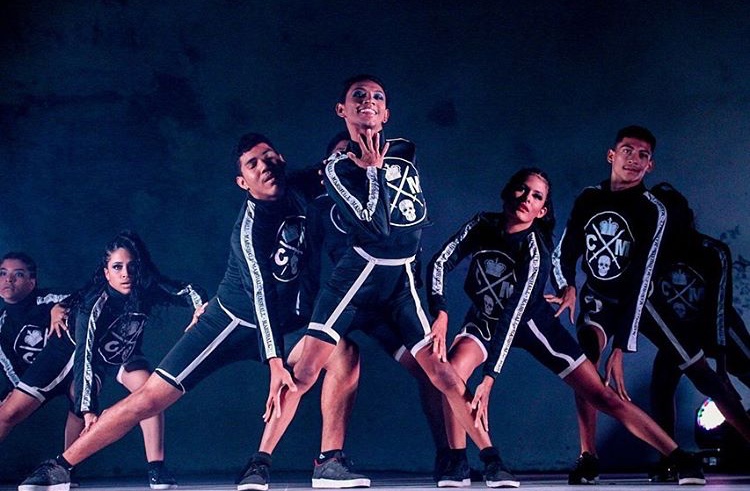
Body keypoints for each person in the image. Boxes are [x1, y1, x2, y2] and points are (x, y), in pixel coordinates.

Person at [18, 133, 360, 491]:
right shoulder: (248, 230)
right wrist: (275, 362)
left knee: (344, 353)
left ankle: (326, 462)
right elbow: (261, 294)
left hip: (285, 324)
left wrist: (363, 148)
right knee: (150, 398)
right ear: (242, 182)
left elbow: (340, 165)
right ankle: (60, 465)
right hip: (229, 323)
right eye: (253, 164)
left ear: (282, 159)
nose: (265, 167)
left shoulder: (301, 185)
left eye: (269, 157)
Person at [238, 75, 508, 491]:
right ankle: (260, 464)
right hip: (352, 286)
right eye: (358, 96)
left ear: (386, 113)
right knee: (305, 372)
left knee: (439, 371)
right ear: (342, 111)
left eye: (377, 97)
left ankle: (482, 460)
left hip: (394, 291)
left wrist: (435, 307)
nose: (368, 101)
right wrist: (370, 170)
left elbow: (411, 231)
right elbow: (376, 229)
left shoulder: (404, 153)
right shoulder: (334, 175)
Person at [428, 168, 705, 487]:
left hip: (531, 324)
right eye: (522, 189)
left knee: (602, 395)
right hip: (486, 318)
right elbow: (439, 262)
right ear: (508, 192)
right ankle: (460, 462)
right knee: (450, 373)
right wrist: (441, 311)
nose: (526, 198)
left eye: (536, 196)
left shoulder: (536, 249)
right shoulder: (482, 224)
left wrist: (489, 377)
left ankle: (680, 457)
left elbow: (515, 314)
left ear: (541, 210)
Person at [302, 131, 451, 483]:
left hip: (384, 305)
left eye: (353, 155)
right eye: (341, 156)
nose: (349, 161)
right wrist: (309, 315)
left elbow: (407, 246)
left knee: (430, 366)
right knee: (341, 357)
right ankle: (326, 459)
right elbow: (308, 264)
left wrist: (424, 304)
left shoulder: (383, 195)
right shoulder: (322, 205)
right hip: (345, 301)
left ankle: (449, 455)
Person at [549, 125, 675, 484]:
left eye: (643, 155)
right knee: (585, 366)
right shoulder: (589, 198)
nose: (633, 159)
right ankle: (588, 455)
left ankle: (674, 456)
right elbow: (565, 251)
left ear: (650, 165)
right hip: (599, 300)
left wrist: (621, 347)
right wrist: (567, 286)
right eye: (627, 151)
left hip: (642, 301)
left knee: (688, 364)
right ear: (611, 155)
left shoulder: (652, 210)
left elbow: (643, 276)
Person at [643, 183, 750, 481]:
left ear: (686, 217)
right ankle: (669, 457)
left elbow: (719, 309)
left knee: (745, 370)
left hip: (720, 329)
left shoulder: (712, 251)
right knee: (661, 386)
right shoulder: (649, 255)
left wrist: (720, 367)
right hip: (678, 334)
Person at [0, 252, 81, 449]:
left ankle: (67, 463)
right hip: (34, 378)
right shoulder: (2, 324)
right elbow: (7, 365)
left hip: (68, 369)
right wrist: (17, 390)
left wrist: (60, 307)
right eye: (2, 273)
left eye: (18, 274)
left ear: (31, 282)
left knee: (80, 395)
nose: (8, 279)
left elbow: (86, 296)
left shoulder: (47, 300)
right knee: (5, 411)